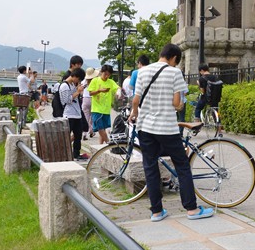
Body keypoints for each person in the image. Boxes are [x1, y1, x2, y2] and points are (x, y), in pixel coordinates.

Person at [129, 43, 214, 222]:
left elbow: (136, 99)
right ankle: (191, 209)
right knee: (182, 166)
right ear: (174, 58)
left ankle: (157, 212)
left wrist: (134, 113)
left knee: (150, 167)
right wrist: (180, 104)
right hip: (166, 128)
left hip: (145, 128)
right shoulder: (174, 73)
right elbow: (177, 103)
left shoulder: (143, 72)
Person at [58, 67, 89, 161]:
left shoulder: (72, 85)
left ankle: (76, 154)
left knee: (78, 135)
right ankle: (64, 154)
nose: (78, 81)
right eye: (78, 79)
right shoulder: (64, 85)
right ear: (75, 76)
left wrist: (78, 90)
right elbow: (65, 100)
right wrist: (78, 91)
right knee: (67, 135)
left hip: (77, 114)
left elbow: (74, 96)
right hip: (69, 114)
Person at [88, 64, 120, 144]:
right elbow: (90, 93)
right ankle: (109, 143)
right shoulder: (95, 80)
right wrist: (99, 90)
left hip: (106, 109)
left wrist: (118, 92)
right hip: (96, 109)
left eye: (109, 75)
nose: (107, 76)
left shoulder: (111, 82)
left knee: (103, 129)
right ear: (101, 72)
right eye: (105, 74)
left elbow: (117, 88)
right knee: (100, 128)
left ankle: (101, 147)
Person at [81, 67, 99, 140]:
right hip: (93, 99)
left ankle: (85, 133)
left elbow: (81, 89)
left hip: (85, 98)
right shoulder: (96, 80)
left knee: (85, 117)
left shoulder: (84, 81)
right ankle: (91, 131)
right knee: (91, 117)